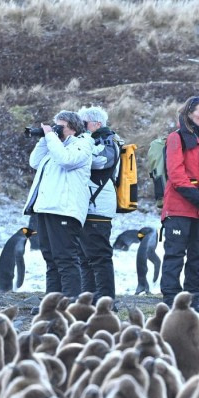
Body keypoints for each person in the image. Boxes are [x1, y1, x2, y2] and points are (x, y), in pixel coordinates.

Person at [160, 95, 199, 314]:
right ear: (190, 114)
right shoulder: (176, 138)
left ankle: (192, 301)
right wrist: (198, 198)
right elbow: (176, 173)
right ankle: (171, 301)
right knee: (175, 255)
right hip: (179, 207)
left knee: (198, 257)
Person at [23, 110, 94, 297]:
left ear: (73, 128)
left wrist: (51, 136)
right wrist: (45, 139)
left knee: (65, 258)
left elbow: (66, 160)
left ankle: (70, 302)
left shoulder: (82, 144)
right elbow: (34, 162)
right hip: (46, 208)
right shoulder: (55, 147)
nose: (56, 130)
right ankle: (52, 302)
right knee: (50, 259)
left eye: (60, 127)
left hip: (65, 210)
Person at [78, 105, 120, 304]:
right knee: (85, 257)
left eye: (83, 123)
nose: (80, 127)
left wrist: (80, 147)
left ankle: (105, 301)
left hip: (98, 206)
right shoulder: (93, 140)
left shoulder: (107, 140)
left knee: (99, 257)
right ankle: (89, 300)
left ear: (96, 124)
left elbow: (101, 161)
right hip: (88, 205)